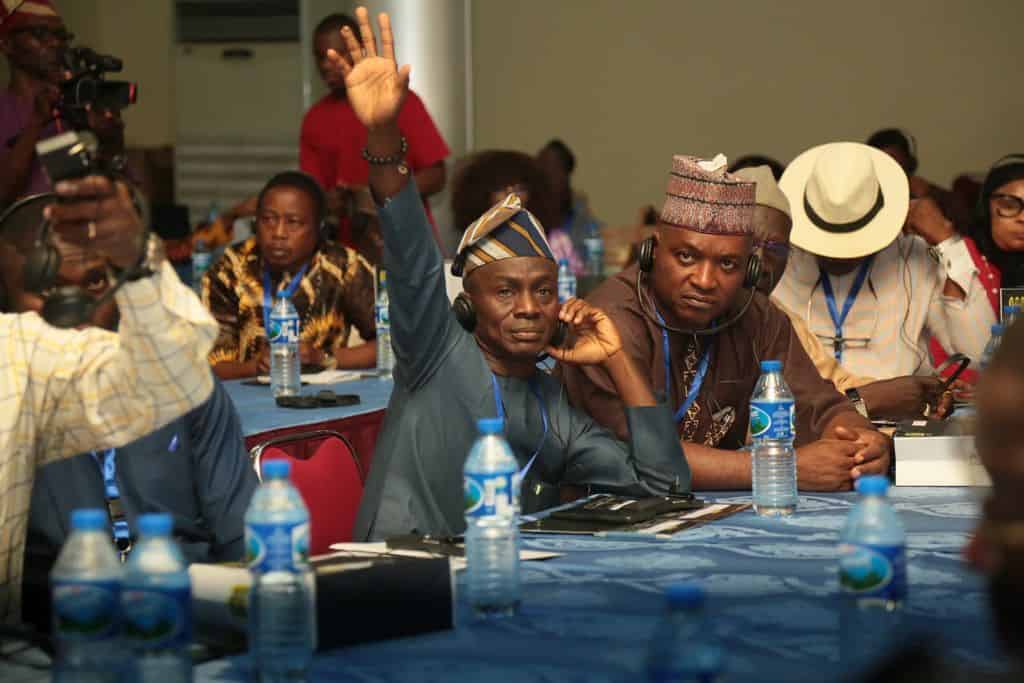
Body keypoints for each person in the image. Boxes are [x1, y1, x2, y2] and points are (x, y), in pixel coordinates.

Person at [325, 7, 690, 539]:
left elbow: (664, 488)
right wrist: (382, 135)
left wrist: (617, 360)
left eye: (543, 291)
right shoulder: (436, 352)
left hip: (498, 576)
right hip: (402, 570)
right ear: (467, 304)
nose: (528, 308)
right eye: (505, 291)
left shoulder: (550, 404)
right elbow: (410, 256)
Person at [561, 153, 890, 492]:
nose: (705, 280)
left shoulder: (756, 314)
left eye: (728, 264)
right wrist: (780, 468)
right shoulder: (608, 321)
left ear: (749, 269)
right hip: (605, 512)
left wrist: (861, 444)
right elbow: (637, 456)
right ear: (653, 251)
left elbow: (820, 406)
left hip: (714, 512)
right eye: (686, 256)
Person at [0, 223, 257, 629]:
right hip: (59, 635)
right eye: (49, 289)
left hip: (189, 621)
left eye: (95, 283)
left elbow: (243, 540)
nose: (76, 309)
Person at [735, 164, 952, 420]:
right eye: (749, 244)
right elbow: (748, 424)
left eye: (775, 248)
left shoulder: (775, 318)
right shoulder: (699, 316)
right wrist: (869, 401)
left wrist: (915, 395)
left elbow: (831, 383)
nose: (760, 263)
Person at [771, 142, 994, 381]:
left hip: (902, 403)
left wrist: (948, 242)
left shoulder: (913, 255)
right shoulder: (780, 261)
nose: (838, 255)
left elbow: (978, 353)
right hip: (801, 403)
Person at [202, 170, 377, 379]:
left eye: (293, 222)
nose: (278, 233)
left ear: (319, 227)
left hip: (326, 394)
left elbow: (390, 342)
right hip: (245, 393)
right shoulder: (231, 269)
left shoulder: (343, 266)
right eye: (268, 219)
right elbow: (210, 365)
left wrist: (322, 358)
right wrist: (256, 367)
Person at [302, 12, 449, 246]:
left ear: (358, 50)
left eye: (337, 55)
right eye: (320, 57)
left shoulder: (399, 102)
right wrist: (330, 201)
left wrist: (381, 194)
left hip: (409, 242)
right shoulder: (315, 118)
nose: (326, 65)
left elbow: (436, 177)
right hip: (346, 248)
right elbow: (311, 190)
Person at [0, 0, 66, 206]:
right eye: (41, 33)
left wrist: (111, 145)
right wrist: (37, 122)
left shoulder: (73, 111)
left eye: (60, 35)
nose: (55, 43)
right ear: (7, 44)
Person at [867, 128, 971, 229]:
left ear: (910, 161)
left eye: (892, 158)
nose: (886, 166)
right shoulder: (865, 199)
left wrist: (927, 199)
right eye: (879, 160)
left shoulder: (940, 198)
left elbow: (960, 230)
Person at [536, 139, 602, 276]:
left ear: (566, 174)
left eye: (553, 168)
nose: (546, 176)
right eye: (541, 169)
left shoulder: (582, 218)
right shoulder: (529, 215)